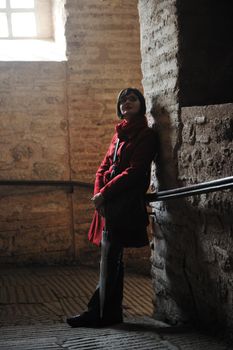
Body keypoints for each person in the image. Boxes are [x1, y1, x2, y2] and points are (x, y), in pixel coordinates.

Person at [67, 87, 158, 328]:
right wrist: (99, 194)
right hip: (108, 203)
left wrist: (105, 194)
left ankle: (97, 313)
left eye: (132, 99)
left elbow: (136, 172)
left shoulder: (146, 135)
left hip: (124, 203)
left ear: (141, 104)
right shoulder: (118, 135)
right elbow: (103, 166)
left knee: (110, 259)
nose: (127, 102)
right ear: (119, 108)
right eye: (123, 100)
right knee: (111, 258)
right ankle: (109, 313)